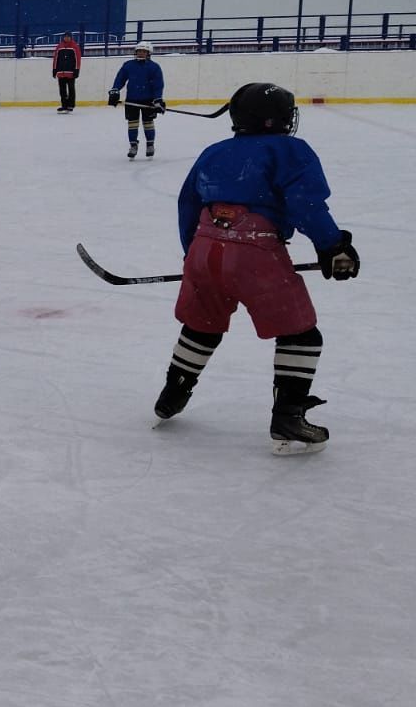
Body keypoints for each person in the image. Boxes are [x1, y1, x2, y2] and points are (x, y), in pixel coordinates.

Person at [152, 82, 360, 454]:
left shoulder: (214, 152)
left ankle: (173, 392)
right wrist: (333, 246)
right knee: (301, 336)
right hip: (255, 253)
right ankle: (288, 416)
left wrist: (193, 257)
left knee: (202, 324)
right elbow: (305, 204)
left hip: (204, 247)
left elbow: (188, 204)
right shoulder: (290, 150)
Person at [108, 40, 165, 158]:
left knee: (148, 123)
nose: (141, 53)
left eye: (144, 51)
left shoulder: (154, 67)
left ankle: (150, 144)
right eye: (139, 51)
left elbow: (158, 85)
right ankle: (133, 145)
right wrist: (115, 91)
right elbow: (120, 79)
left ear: (149, 53)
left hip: (148, 100)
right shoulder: (128, 65)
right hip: (132, 100)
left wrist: (158, 99)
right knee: (132, 124)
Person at [51, 31, 82, 112]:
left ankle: (71, 105)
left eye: (68, 37)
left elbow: (77, 59)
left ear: (71, 38)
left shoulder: (74, 47)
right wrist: (54, 70)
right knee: (62, 90)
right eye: (65, 37)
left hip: (71, 72)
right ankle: (64, 105)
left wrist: (76, 70)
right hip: (61, 72)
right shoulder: (59, 47)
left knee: (71, 89)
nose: (66, 38)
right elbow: (56, 59)